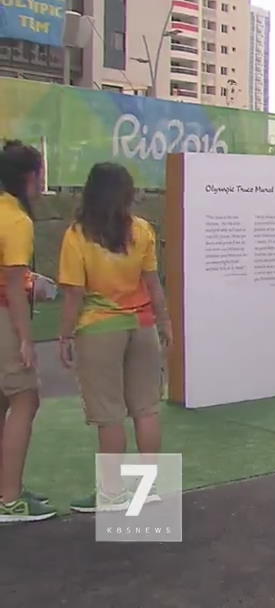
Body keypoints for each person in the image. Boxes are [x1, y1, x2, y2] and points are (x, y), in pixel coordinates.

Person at [55, 163, 171, 512]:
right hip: (142, 326)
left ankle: (112, 493)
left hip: (99, 329)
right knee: (146, 409)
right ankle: (148, 489)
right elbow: (153, 283)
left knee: (109, 415)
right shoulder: (142, 231)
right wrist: (165, 321)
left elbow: (74, 295)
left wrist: (64, 335)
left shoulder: (77, 235)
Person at [0, 141, 55, 523]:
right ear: (28, 176)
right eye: (39, 173)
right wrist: (24, 337)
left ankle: (6, 489)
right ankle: (10, 498)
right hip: (3, 317)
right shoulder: (16, 220)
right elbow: (13, 285)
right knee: (25, 398)